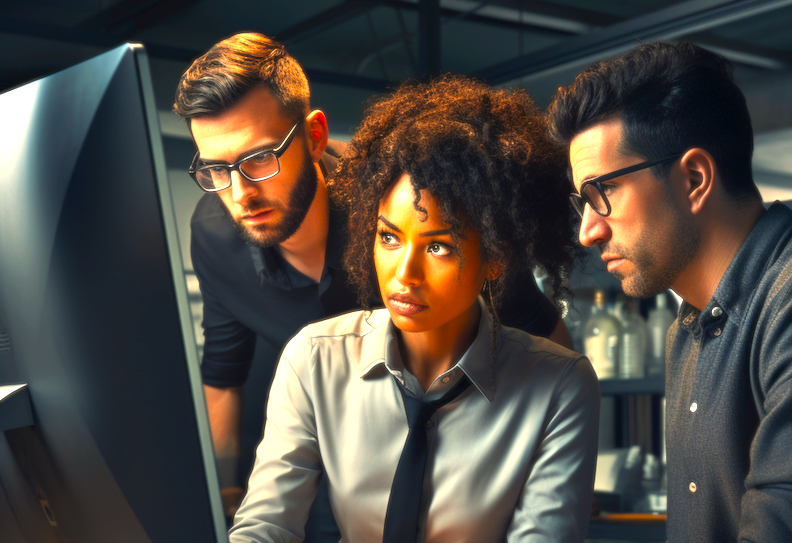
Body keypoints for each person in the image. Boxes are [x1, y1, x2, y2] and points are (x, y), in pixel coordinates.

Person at [173, 33, 571, 540]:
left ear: (315, 136)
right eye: (216, 169)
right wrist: (219, 498)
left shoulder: (402, 212)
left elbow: (544, 345)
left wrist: (552, 460)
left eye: (257, 159)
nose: (241, 193)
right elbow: (223, 374)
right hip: (330, 464)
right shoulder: (214, 234)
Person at [548, 41, 792, 541]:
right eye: (582, 202)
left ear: (695, 179)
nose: (587, 232)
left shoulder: (785, 301)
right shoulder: (688, 326)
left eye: (604, 192)